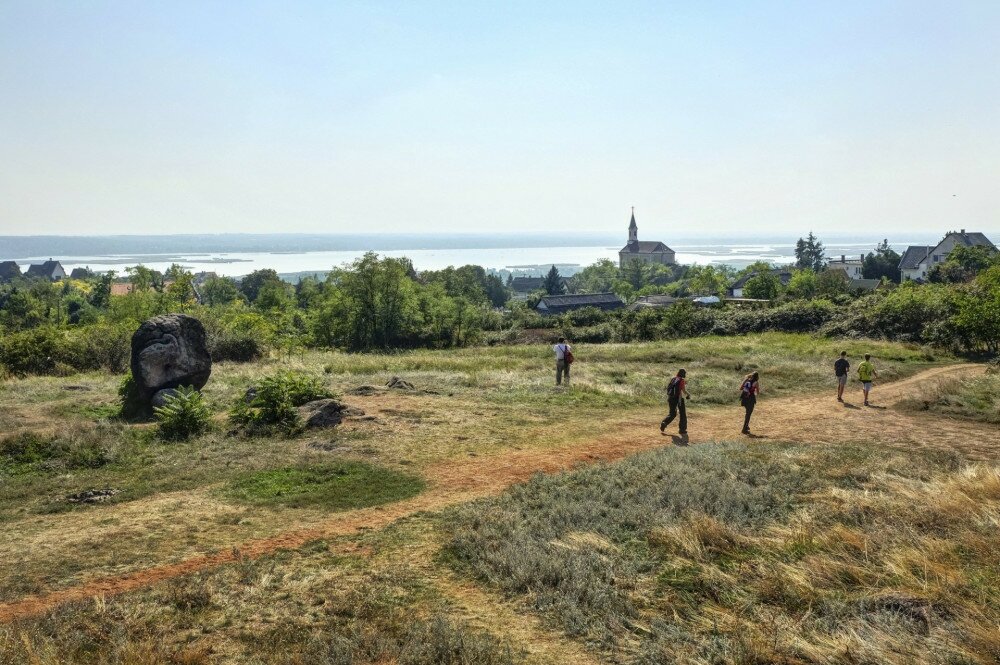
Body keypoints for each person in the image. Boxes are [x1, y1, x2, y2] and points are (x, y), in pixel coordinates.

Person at [660, 369, 691, 436]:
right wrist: (688, 395)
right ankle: (682, 430)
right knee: (683, 414)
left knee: (672, 413)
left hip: (670, 398)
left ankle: (664, 422)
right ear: (683, 374)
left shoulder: (673, 379)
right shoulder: (681, 380)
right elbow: (683, 390)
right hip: (678, 399)